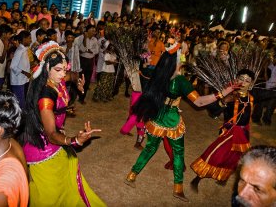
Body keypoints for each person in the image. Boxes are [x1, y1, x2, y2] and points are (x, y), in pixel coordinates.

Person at [124, 42, 237, 202]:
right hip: (171, 120)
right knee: (178, 153)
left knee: (150, 148)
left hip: (156, 117)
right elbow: (198, 102)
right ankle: (178, 188)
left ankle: (131, 175)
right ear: (176, 62)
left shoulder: (158, 73)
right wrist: (222, 94)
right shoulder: (180, 81)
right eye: (181, 57)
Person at [19, 41, 105, 206]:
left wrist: (78, 80)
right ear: (46, 69)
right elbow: (51, 135)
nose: (62, 73)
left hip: (55, 139)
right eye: (58, 70)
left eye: (64, 68)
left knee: (67, 176)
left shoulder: (57, 79)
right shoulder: (46, 97)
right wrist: (75, 141)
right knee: (49, 195)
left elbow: (71, 75)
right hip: (42, 146)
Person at [190, 69, 257, 191]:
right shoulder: (229, 95)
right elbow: (213, 113)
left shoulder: (252, 97)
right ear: (236, 80)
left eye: (247, 81)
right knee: (215, 154)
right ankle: (198, 178)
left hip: (243, 134)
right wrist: (224, 101)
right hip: (230, 132)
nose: (243, 82)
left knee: (235, 159)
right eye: (241, 79)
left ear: (251, 84)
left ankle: (224, 177)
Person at [74, 25, 99, 104]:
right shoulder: (80, 38)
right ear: (87, 31)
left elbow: (97, 50)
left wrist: (89, 50)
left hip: (91, 61)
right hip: (82, 60)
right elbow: (82, 50)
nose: (93, 32)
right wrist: (85, 39)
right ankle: (77, 95)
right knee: (80, 79)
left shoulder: (95, 39)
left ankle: (82, 97)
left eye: (94, 30)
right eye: (92, 30)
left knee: (87, 80)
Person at [10, 31, 31, 108]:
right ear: (24, 39)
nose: (30, 40)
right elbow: (13, 66)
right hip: (17, 81)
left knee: (21, 101)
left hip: (22, 80)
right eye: (29, 38)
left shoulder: (24, 50)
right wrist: (25, 73)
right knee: (20, 103)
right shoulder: (19, 51)